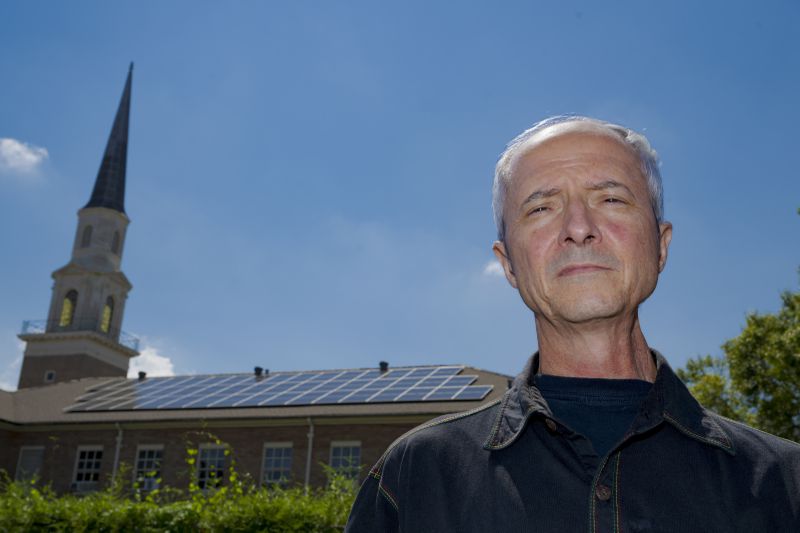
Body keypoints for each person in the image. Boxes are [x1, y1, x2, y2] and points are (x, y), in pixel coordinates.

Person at [344, 116, 800, 532]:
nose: (579, 227)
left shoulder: (788, 483)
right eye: (541, 208)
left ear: (660, 246)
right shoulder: (414, 477)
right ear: (508, 264)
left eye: (611, 198)